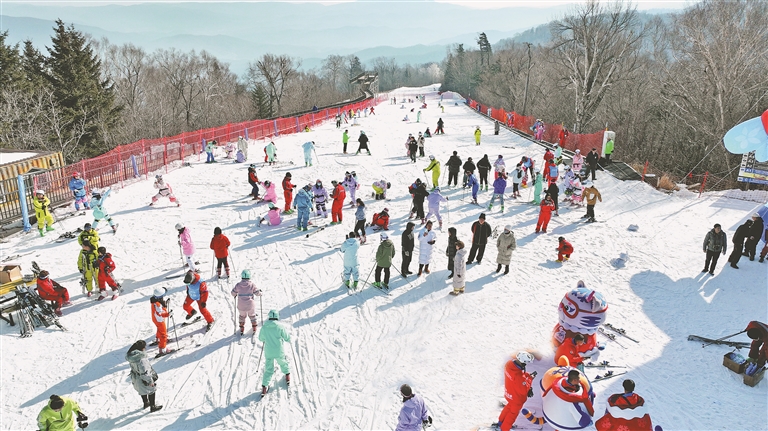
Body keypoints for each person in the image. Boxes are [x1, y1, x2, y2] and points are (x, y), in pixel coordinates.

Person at [495, 352, 535, 431]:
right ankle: (504, 429)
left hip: (509, 394)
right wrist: (530, 378)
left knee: (508, 407)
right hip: (516, 399)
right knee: (512, 414)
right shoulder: (519, 376)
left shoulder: (509, 365)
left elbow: (519, 378)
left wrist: (527, 376)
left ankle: (500, 422)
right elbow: (524, 390)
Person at [259, 309, 291, 395]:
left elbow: (261, 338)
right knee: (283, 362)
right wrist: (289, 339)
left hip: (269, 351)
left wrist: (266, 338)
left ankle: (264, 386)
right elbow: (286, 337)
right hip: (278, 350)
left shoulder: (264, 327)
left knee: (269, 368)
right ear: (277, 316)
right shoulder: (280, 326)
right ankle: (287, 375)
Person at [231, 270, 262, 335]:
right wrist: (260, 293)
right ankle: (254, 327)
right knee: (252, 315)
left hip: (241, 305)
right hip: (250, 305)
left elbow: (233, 293)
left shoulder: (238, 285)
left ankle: (241, 328)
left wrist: (235, 294)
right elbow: (257, 293)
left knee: (242, 316)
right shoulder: (252, 285)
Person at [150, 287, 171, 356]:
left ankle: (158, 339)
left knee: (159, 329)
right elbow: (160, 313)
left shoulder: (155, 301)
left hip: (155, 319)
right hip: (159, 320)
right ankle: (162, 349)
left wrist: (165, 304)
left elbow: (161, 308)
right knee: (163, 335)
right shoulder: (158, 305)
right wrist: (168, 314)